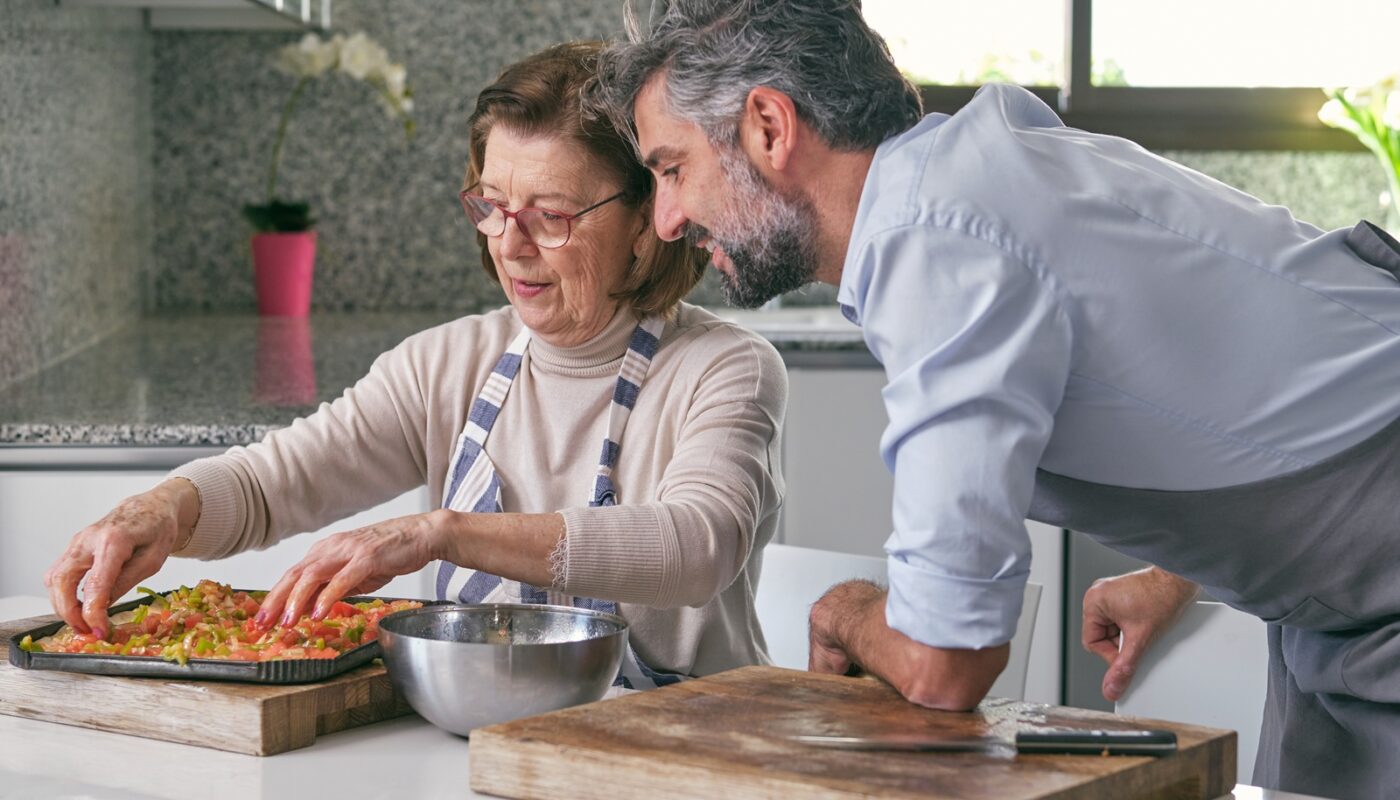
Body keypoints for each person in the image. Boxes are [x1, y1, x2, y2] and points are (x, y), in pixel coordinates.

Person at [590, 1, 1400, 795]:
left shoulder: (937, 246)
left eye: (671, 169)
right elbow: (1233, 351)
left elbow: (946, 663)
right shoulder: (978, 161)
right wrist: (1179, 567)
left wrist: (849, 612)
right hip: (1340, 588)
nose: (666, 219)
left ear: (769, 126)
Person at [43, 41, 787, 689]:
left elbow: (697, 546)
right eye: (493, 204)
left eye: (551, 215)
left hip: (682, 748)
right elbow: (273, 485)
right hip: (479, 738)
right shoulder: (448, 363)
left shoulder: (725, 369)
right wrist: (160, 511)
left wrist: (443, 533)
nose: (510, 244)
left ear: (645, 222)